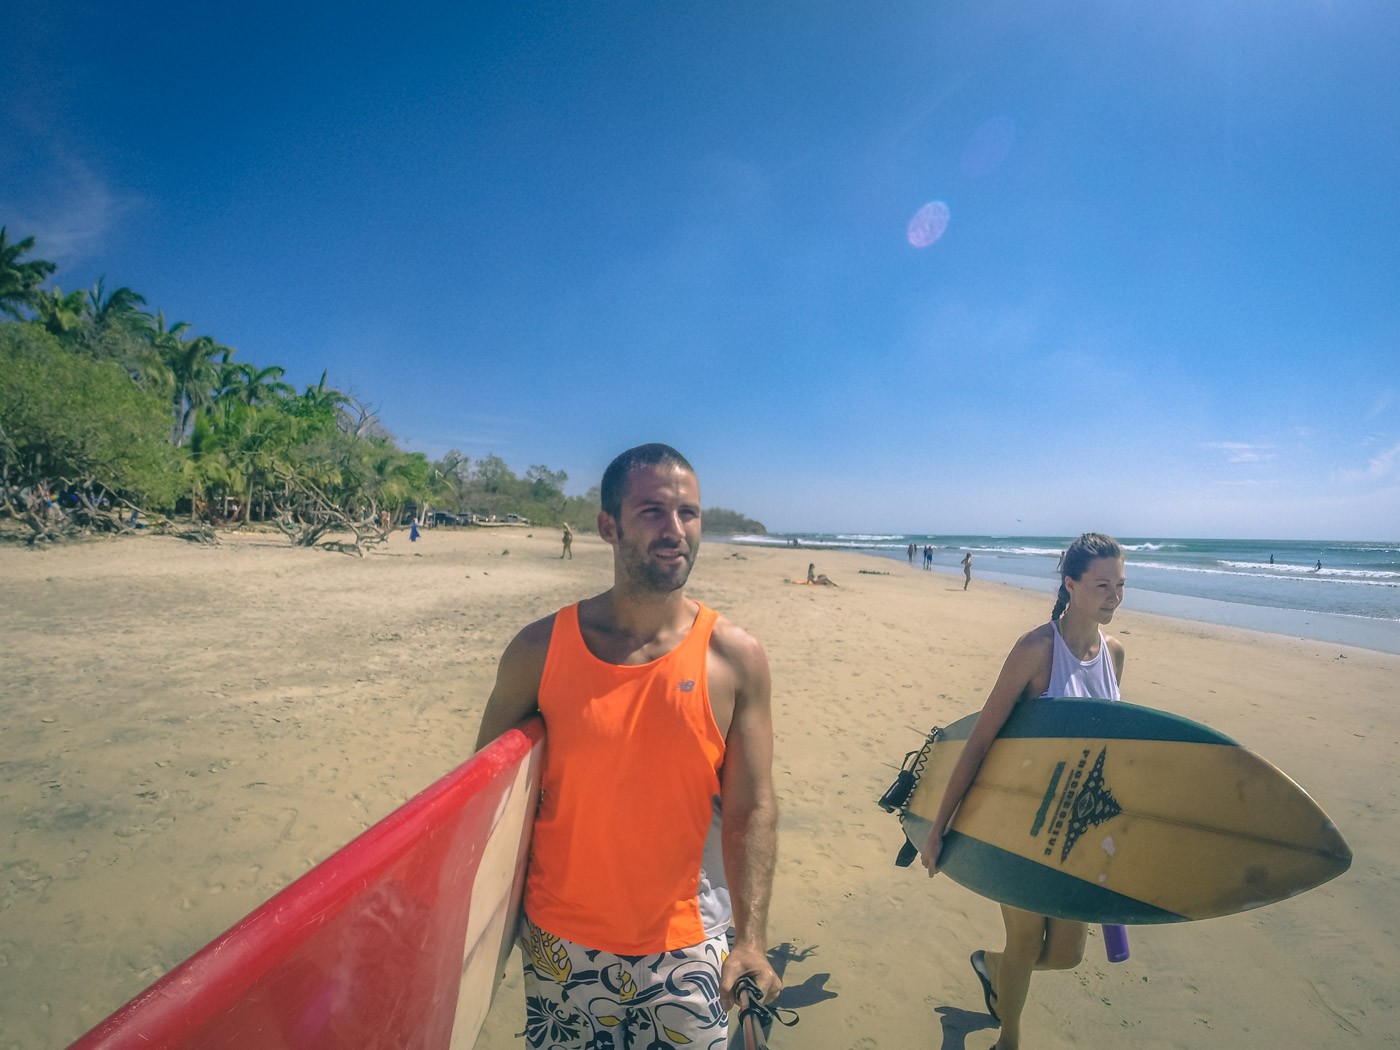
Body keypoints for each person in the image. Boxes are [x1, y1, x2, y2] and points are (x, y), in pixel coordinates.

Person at [475, 443, 781, 1049]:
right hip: (561, 943)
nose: (675, 531)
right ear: (607, 526)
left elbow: (753, 808)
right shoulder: (539, 650)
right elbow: (486, 801)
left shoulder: (735, 659)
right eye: (652, 512)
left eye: (688, 513)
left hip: (690, 945)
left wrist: (751, 940)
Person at [922, 533, 1126, 1050]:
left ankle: (990, 967)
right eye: (1103, 584)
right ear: (1071, 584)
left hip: (1079, 834)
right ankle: (1008, 1038)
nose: (1115, 595)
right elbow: (980, 741)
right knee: (1025, 942)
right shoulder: (1036, 650)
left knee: (1066, 954)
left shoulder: (1114, 654)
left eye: (1121, 584)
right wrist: (938, 827)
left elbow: (1112, 753)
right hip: (1020, 826)